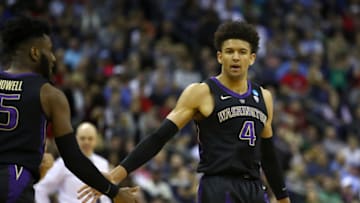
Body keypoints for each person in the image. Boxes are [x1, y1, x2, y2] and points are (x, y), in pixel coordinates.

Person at [79, 21, 291, 203]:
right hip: (219, 185)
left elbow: (269, 155)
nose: (235, 57)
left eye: (242, 52)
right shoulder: (201, 92)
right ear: (219, 57)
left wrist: (283, 198)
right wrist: (116, 175)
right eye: (229, 51)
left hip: (254, 187)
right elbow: (159, 137)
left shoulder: (264, 97)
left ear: (252, 58)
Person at [0, 15, 137, 203]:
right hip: (14, 183)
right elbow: (72, 158)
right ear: (35, 53)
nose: (54, 58)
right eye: (49, 51)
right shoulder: (49, 95)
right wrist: (114, 192)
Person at [35, 122, 112, 203]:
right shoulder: (64, 162)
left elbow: (105, 196)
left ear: (96, 140)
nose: (86, 142)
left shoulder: (103, 163)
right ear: (76, 139)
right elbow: (41, 188)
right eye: (82, 138)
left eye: (90, 138)